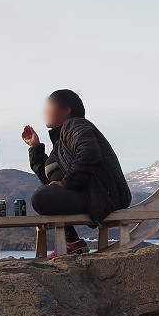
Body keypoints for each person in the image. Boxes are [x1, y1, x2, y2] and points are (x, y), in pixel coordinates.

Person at [23, 89, 131, 254]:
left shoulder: (75, 125)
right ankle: (73, 242)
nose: (44, 111)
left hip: (104, 195)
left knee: (42, 196)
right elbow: (49, 180)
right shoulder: (61, 141)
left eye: (49, 105)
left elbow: (90, 153)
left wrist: (68, 183)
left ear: (67, 110)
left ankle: (72, 242)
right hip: (89, 194)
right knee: (45, 194)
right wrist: (35, 148)